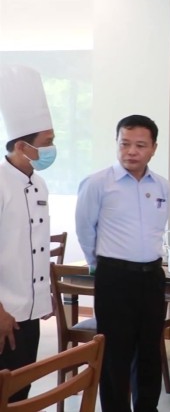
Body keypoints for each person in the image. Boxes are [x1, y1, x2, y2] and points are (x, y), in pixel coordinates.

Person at [76, 115, 170, 412]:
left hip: (152, 276)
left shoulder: (162, 186)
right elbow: (84, 229)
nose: (131, 151)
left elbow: (157, 229)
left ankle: (147, 408)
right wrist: (100, 264)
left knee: (150, 350)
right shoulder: (98, 183)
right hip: (115, 277)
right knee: (115, 353)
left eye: (140, 145)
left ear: (153, 148)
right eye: (124, 144)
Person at [0, 65, 57, 403]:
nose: (52, 148)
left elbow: (36, 246)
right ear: (22, 145)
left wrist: (44, 296)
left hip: (31, 312)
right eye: (47, 142)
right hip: (4, 314)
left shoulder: (39, 183)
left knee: (22, 391)